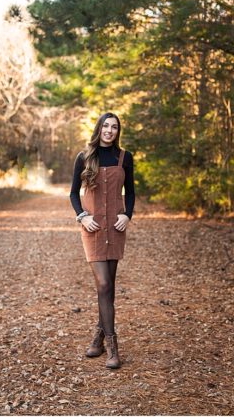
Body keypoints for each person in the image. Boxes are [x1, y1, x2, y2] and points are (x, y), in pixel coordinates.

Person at [69, 112, 134, 369]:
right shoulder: (84, 157)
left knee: (107, 288)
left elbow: (131, 192)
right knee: (104, 284)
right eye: (106, 126)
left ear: (118, 131)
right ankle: (112, 347)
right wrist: (82, 216)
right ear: (99, 128)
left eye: (114, 127)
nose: (109, 130)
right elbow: (73, 193)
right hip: (93, 228)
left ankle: (97, 336)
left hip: (115, 227)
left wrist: (127, 215)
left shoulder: (124, 157)